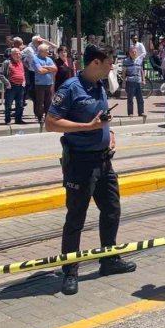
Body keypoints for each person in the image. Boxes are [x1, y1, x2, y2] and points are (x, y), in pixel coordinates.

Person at [45, 44, 136, 296]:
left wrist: (110, 133)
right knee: (76, 217)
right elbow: (50, 123)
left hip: (104, 160)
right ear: (95, 63)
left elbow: (101, 118)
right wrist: (88, 127)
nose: (111, 68)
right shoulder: (70, 88)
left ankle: (109, 259)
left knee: (112, 210)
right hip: (80, 163)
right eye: (108, 64)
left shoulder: (99, 86)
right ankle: (70, 271)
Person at [33, 42, 57, 124]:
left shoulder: (49, 59)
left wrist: (46, 67)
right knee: (40, 102)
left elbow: (55, 69)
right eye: (47, 50)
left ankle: (47, 117)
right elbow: (40, 71)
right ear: (41, 51)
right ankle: (40, 117)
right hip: (40, 84)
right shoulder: (35, 58)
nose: (48, 52)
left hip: (49, 83)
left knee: (49, 102)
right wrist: (50, 69)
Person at [1, 47, 26, 124]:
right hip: (11, 86)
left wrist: (24, 81)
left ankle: (18, 119)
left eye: (19, 53)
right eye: (16, 54)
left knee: (20, 104)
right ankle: (7, 120)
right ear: (12, 55)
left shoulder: (21, 62)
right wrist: (7, 83)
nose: (18, 55)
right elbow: (1, 74)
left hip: (20, 86)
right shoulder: (7, 63)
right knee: (8, 104)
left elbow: (22, 73)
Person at [123, 47, 145, 116]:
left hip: (138, 81)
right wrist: (124, 81)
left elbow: (142, 71)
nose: (134, 53)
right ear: (129, 53)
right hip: (130, 81)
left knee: (140, 98)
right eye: (132, 52)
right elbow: (124, 72)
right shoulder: (126, 61)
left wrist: (143, 79)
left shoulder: (140, 60)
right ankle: (130, 113)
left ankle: (141, 112)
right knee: (130, 98)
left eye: (135, 52)